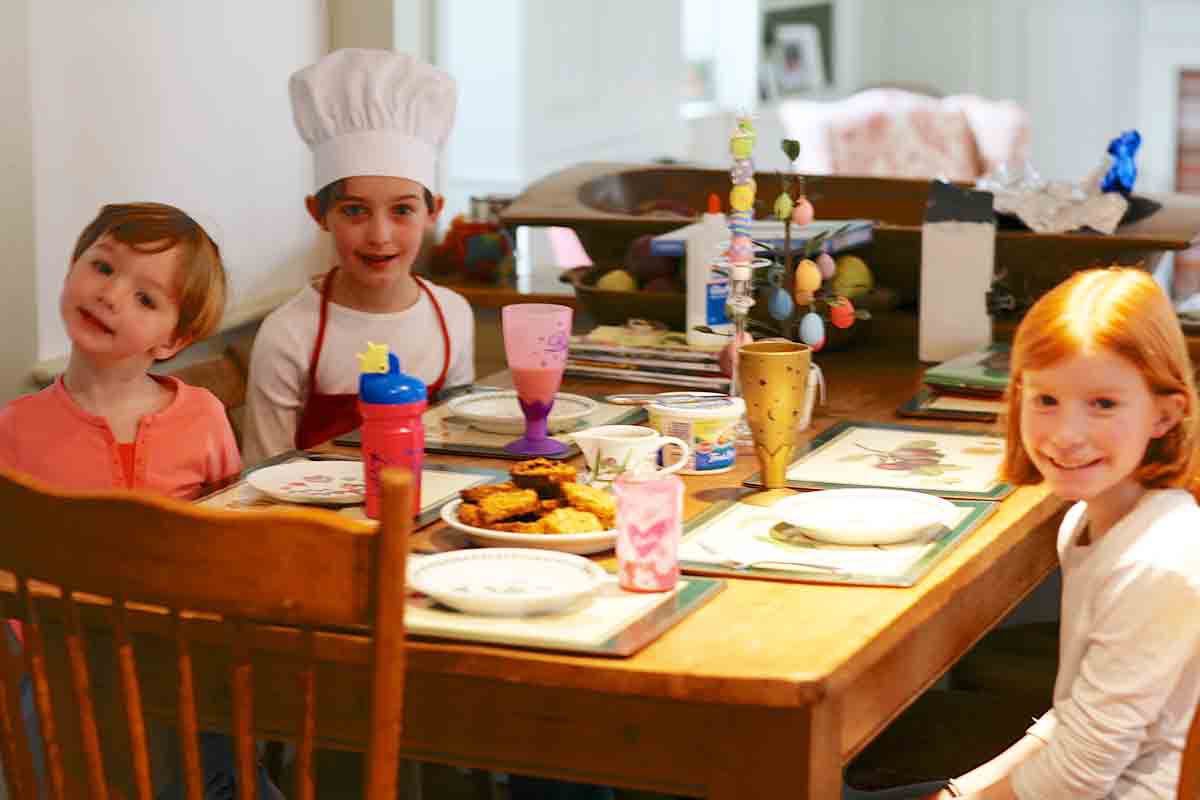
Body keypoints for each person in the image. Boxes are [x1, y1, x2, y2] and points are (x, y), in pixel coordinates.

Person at [0, 202, 280, 799]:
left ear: (172, 339)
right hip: (60, 681)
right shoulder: (14, 429)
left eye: (146, 299)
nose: (111, 295)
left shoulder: (202, 418)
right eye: (102, 268)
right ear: (73, 266)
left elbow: (229, 543)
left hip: (186, 672)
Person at [916, 267, 1200, 799]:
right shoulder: (1088, 520)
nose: (1068, 436)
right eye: (1047, 400)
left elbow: (1078, 776)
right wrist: (960, 793)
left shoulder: (1154, 562)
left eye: (1104, 404)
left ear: (1165, 414)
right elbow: (1071, 719)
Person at [242, 48, 475, 465]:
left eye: (402, 210)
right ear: (319, 214)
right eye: (354, 211)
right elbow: (262, 476)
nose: (379, 236)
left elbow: (464, 451)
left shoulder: (453, 315)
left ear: (433, 212)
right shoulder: (289, 334)